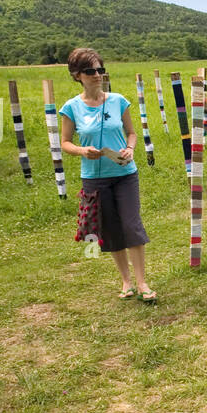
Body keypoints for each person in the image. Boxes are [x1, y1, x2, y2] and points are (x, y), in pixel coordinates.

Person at [58, 47, 156, 303]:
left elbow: (131, 132)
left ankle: (143, 282)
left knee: (131, 225)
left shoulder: (118, 100)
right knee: (111, 229)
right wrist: (81, 150)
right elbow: (65, 142)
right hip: (94, 178)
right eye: (90, 71)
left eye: (100, 69)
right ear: (77, 75)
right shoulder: (71, 108)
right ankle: (126, 282)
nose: (97, 75)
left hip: (125, 173)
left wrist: (131, 148)